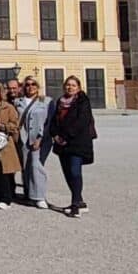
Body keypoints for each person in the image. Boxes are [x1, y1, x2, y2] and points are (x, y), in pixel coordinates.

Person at [46, 75, 95, 218]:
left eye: (73, 85)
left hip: (77, 142)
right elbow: (54, 121)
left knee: (75, 172)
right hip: (62, 144)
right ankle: (79, 201)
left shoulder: (83, 101)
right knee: (67, 173)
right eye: (68, 85)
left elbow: (82, 121)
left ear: (78, 87)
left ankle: (75, 205)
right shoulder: (60, 101)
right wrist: (55, 135)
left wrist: (65, 137)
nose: (70, 87)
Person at [18, 77, 51, 209]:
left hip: (39, 139)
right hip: (23, 138)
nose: (30, 87)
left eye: (33, 84)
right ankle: (28, 195)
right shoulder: (18, 102)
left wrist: (40, 138)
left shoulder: (46, 101)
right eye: (27, 84)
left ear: (38, 86)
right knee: (25, 167)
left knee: (36, 166)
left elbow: (50, 121)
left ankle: (39, 197)